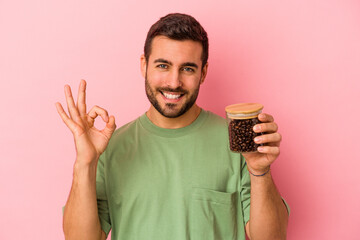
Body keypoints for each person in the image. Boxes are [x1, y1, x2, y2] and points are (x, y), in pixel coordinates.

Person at [56, 13, 289, 240]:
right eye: (163, 66)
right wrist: (84, 163)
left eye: (187, 69)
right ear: (144, 65)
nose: (174, 82)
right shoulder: (111, 146)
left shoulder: (237, 144)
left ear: (203, 72)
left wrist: (260, 170)